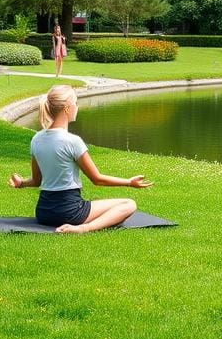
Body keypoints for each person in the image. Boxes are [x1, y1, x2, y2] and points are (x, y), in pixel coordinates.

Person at [9, 85, 153, 233]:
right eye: (75, 103)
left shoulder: (36, 139)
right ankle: (84, 228)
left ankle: (81, 225)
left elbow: (36, 181)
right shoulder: (73, 141)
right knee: (129, 204)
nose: (77, 107)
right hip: (70, 213)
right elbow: (97, 179)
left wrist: (21, 183)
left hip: (44, 213)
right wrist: (129, 182)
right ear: (66, 109)